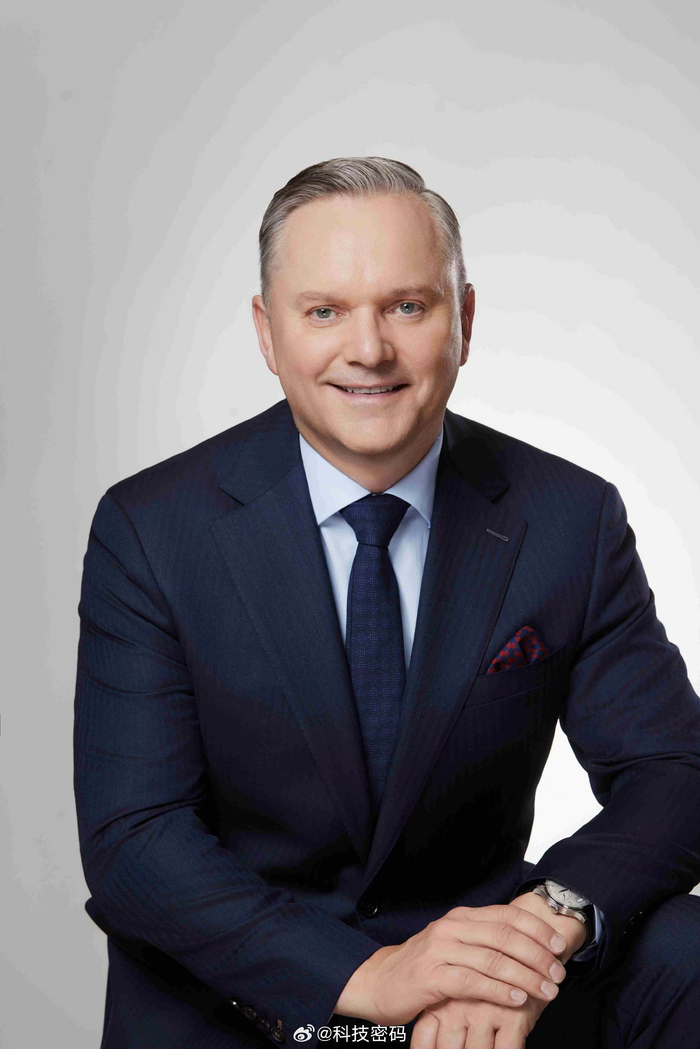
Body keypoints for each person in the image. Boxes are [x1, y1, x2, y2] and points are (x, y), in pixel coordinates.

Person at [73, 157, 700, 1049]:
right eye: (324, 311)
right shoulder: (152, 527)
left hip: (479, 986)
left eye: (407, 306)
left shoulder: (569, 518)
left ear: (465, 319)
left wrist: (540, 932)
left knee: (685, 949)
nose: (368, 349)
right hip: (253, 998)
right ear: (267, 333)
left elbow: (675, 769)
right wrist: (367, 978)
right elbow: (135, 839)